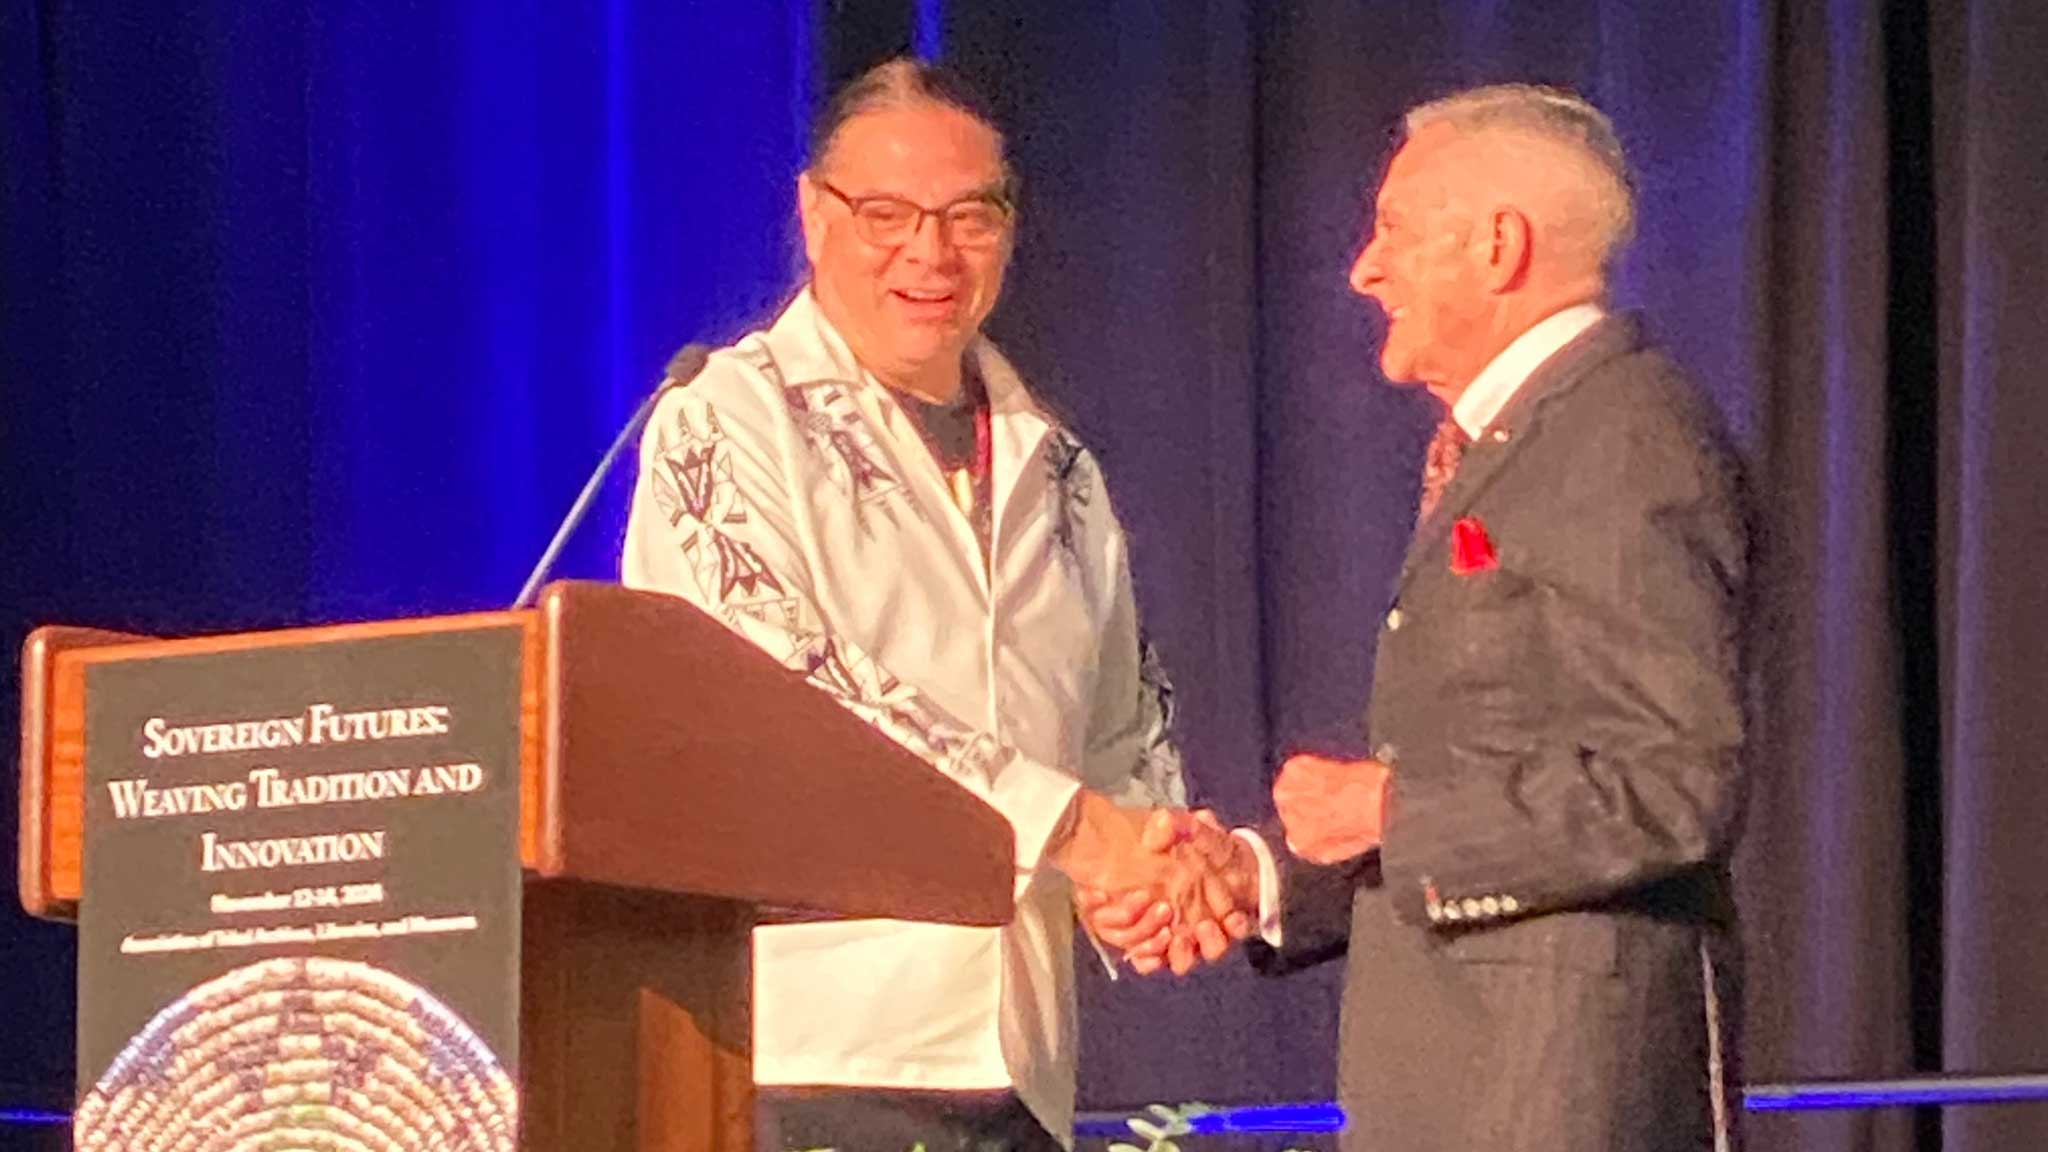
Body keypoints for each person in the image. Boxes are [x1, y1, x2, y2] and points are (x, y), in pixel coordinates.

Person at [1087, 84, 1750, 1151]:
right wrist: (1258, 878)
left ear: (1497, 246)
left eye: (1392, 227)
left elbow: (1672, 786)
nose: (1363, 268)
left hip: (1556, 1093)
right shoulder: (1516, 441)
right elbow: (1494, 775)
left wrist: (1389, 809)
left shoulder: (1621, 438)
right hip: (1460, 1081)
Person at [621, 58, 1244, 1152]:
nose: (929, 253)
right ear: (813, 217)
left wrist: (1149, 869)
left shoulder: (1060, 469)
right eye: (886, 214)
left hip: (1017, 1067)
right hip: (808, 1053)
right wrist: (1075, 830)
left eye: (968, 217)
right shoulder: (727, 418)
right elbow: (784, 690)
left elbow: (1118, 720)